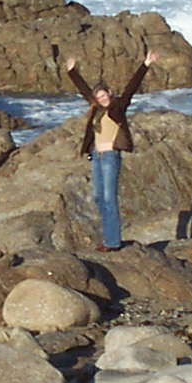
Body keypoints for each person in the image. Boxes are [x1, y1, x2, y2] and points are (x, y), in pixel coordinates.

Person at [65, 48, 160, 251]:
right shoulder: (96, 110)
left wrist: (146, 64)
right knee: (99, 198)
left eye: (103, 95)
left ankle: (113, 242)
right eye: (98, 97)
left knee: (109, 199)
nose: (102, 99)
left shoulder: (118, 107)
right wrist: (72, 72)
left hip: (110, 156)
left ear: (109, 93)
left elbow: (131, 88)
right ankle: (108, 237)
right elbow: (84, 91)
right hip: (96, 157)